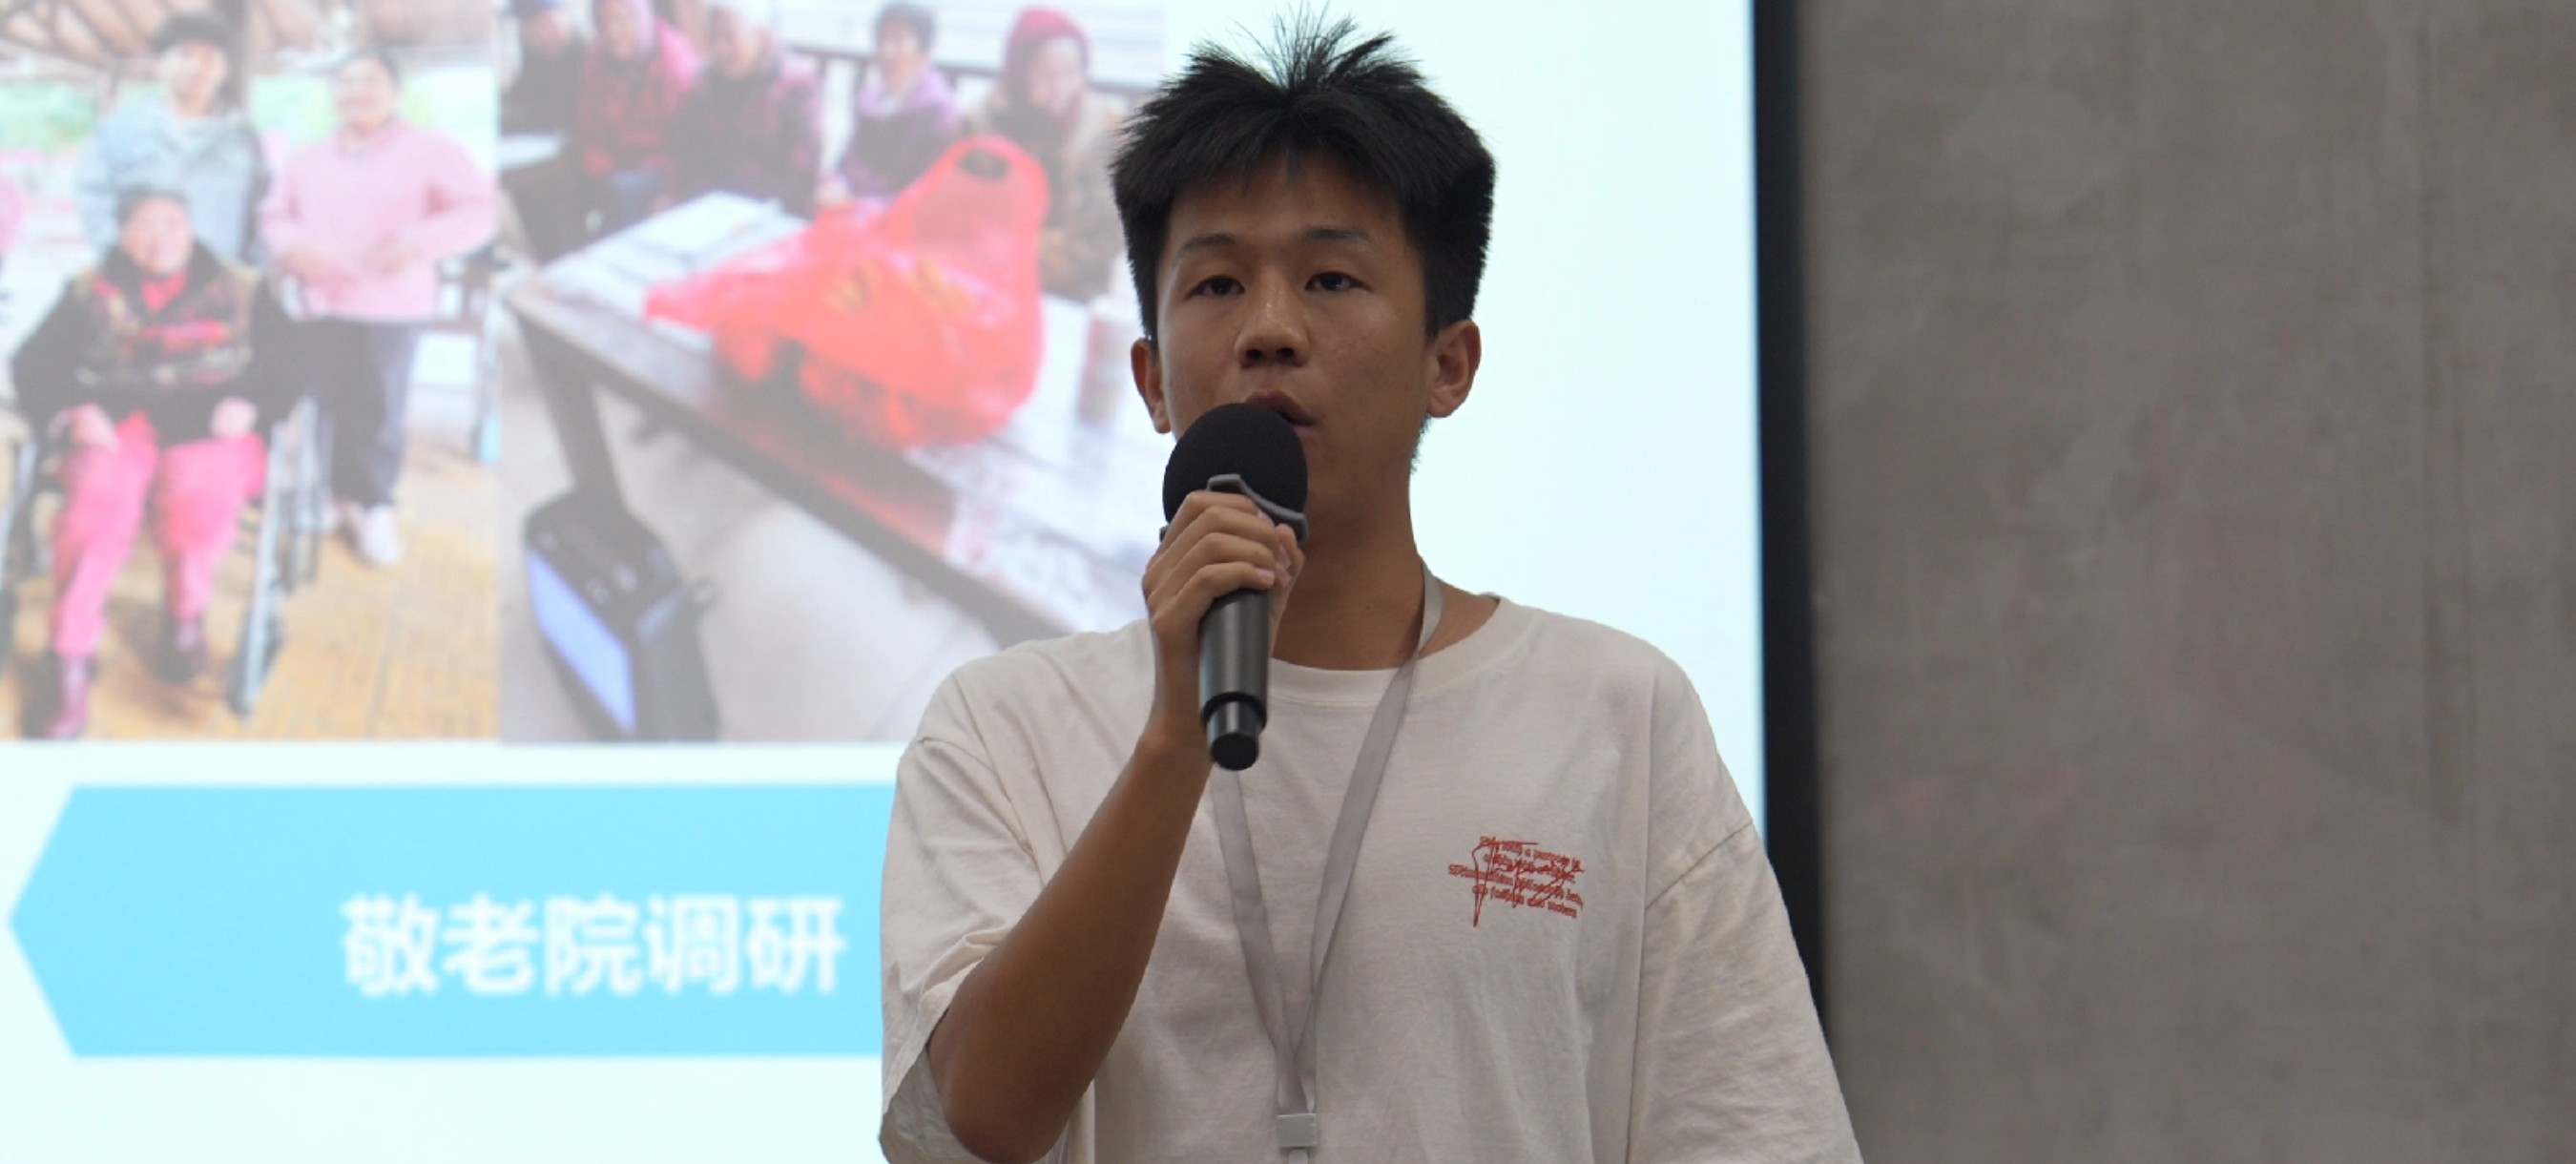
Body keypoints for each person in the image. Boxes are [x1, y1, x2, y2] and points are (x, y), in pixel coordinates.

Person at [878, 19, 1859, 1164]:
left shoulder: (1615, 714)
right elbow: (983, 1115)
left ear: (1450, 363)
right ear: (1151, 378)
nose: (1269, 330)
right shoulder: (1003, 727)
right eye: (1217, 283)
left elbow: (1755, 1129)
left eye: (1332, 278)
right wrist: (1175, 733)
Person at [10, 188, 299, 739]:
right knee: (94, 511)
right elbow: (34, 362)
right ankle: (69, 660)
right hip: (118, 422)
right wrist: (74, 410)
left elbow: (292, 359)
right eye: (144, 225)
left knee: (199, 501)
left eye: (172, 224)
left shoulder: (242, 287)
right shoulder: (88, 289)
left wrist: (252, 401)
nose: (159, 238)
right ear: (122, 235)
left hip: (211, 421)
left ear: (190, 229)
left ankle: (184, 615)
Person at [260, 50, 496, 568]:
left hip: (392, 304)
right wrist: (292, 246)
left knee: (378, 408)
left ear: (395, 92)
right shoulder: (308, 157)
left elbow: (480, 210)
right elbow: (274, 214)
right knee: (321, 404)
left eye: (369, 80)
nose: (356, 92)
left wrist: (418, 243)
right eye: (345, 82)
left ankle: (372, 504)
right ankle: (327, 494)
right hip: (321, 300)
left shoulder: (431, 149)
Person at [73, 12, 267, 263]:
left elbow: (262, 217)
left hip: (221, 278)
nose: (197, 67)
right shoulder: (118, 134)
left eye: (209, 58)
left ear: (225, 70)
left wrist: (251, 277)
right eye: (185, 55)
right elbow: (94, 203)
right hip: (140, 280)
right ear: (159, 64)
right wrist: (119, 264)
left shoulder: (242, 142)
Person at [960, 8, 1124, 301]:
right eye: (1045, 74)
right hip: (986, 276)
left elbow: (1105, 232)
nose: (1059, 87)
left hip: (1071, 288)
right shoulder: (985, 122)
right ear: (1019, 73)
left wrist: (1027, 258)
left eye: (1070, 72)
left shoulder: (1102, 131)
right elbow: (966, 206)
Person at [670, 0, 822, 216]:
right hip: (712, 211)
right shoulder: (703, 84)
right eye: (713, 37)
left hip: (775, 213)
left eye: (729, 36)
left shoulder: (796, 83)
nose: (720, 48)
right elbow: (688, 156)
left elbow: (803, 174)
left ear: (760, 34)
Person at [571, 0, 699, 235]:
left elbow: (694, 149)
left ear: (645, 18)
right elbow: (590, 134)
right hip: (615, 178)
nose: (613, 31)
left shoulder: (676, 63)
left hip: (668, 179)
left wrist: (674, 193)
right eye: (604, 22)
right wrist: (604, 175)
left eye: (623, 20)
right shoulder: (595, 61)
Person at [821, 2, 957, 203]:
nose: (886, 51)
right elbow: (846, 163)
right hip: (848, 212)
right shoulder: (869, 98)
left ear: (924, 52)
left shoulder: (939, 111)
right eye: (881, 39)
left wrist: (861, 203)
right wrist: (836, 185)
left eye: (898, 40)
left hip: (900, 218)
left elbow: (927, 191)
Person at [502, 0, 587, 136]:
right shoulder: (536, 61)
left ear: (566, 14)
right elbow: (515, 101)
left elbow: (559, 115)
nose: (543, 36)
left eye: (547, 22)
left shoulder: (593, 59)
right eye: (531, 28)